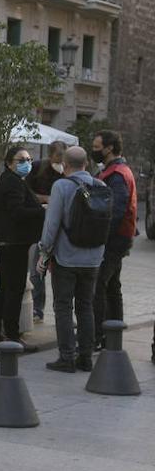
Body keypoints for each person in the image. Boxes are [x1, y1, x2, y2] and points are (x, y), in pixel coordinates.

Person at [37, 146, 106, 373]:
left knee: (63, 307)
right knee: (86, 306)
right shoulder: (101, 186)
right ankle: (85, 357)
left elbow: (52, 224)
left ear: (65, 166)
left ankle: (66, 357)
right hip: (93, 258)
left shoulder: (62, 186)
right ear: (86, 164)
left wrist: (44, 252)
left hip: (66, 258)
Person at [0, 147, 45, 349]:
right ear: (9, 163)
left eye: (28, 159)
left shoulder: (11, 180)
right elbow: (17, 212)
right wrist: (41, 211)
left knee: (5, 287)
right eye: (21, 159)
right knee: (14, 290)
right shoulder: (13, 182)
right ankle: (11, 335)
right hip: (11, 243)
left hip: (5, 241)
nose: (26, 162)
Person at [90, 130, 137, 351]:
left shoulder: (117, 174)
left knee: (98, 285)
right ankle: (112, 334)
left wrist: (100, 237)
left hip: (114, 239)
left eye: (97, 147)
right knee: (112, 286)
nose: (94, 150)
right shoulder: (115, 171)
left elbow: (115, 211)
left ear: (109, 148)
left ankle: (98, 335)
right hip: (120, 237)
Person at [25, 141, 65, 322]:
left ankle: (62, 311)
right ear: (51, 155)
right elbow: (27, 191)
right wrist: (46, 198)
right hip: (38, 223)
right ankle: (37, 308)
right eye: (58, 156)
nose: (61, 160)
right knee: (36, 269)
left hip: (60, 227)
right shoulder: (38, 168)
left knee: (60, 272)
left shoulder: (67, 172)